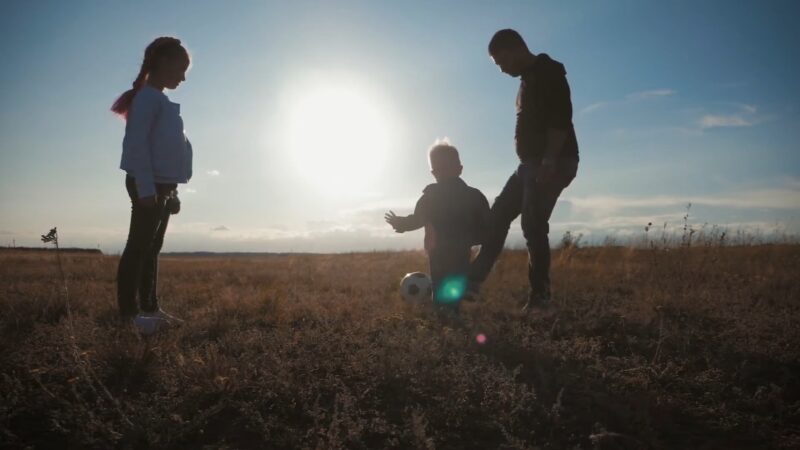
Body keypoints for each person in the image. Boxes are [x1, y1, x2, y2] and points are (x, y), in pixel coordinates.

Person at [468, 29, 579, 312]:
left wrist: (550, 160)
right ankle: (470, 284)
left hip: (551, 162)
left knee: (532, 225)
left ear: (514, 49)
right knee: (500, 213)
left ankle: (540, 298)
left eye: (500, 62)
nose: (502, 70)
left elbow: (560, 118)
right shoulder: (527, 80)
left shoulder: (548, 71)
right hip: (529, 165)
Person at [112, 37, 193, 326]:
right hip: (148, 185)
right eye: (181, 68)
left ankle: (149, 309)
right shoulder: (147, 98)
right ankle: (128, 316)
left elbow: (168, 151)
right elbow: (137, 147)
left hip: (162, 185)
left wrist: (173, 192)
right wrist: (147, 189)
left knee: (151, 247)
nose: (183, 77)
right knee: (139, 246)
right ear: (163, 63)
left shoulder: (158, 100)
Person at [385, 140, 491, 316]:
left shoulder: (472, 196)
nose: (443, 173)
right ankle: (446, 312)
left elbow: (486, 223)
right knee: (442, 282)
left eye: (446, 167)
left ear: (459, 169)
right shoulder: (431, 196)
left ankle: (449, 311)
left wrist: (478, 238)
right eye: (439, 169)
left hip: (457, 248)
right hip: (438, 250)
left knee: (450, 282)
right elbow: (418, 218)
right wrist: (401, 223)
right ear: (433, 173)